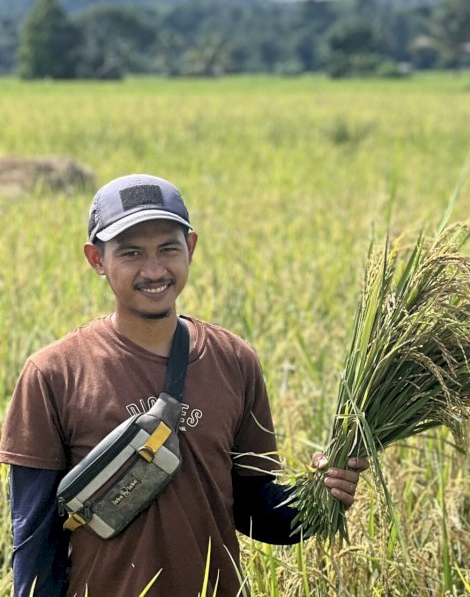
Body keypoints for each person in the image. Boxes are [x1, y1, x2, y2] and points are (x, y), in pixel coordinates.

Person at [0, 174, 368, 597]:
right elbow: (34, 540)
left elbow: (251, 509)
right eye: (131, 253)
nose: (154, 270)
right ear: (96, 259)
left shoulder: (233, 361)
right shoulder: (54, 374)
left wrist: (321, 498)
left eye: (167, 249)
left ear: (190, 248)